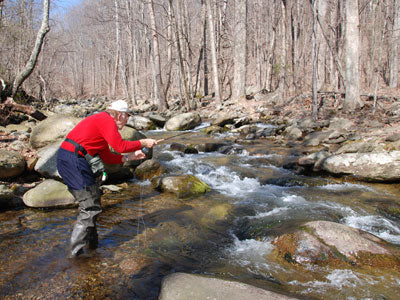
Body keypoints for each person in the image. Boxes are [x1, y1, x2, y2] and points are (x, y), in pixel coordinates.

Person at [56, 100, 157, 257]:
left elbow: (108, 156)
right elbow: (120, 146)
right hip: (72, 160)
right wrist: (143, 142)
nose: (127, 120)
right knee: (89, 207)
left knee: (92, 201)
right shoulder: (106, 120)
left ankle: (92, 247)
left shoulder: (101, 123)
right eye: (127, 116)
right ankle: (74, 255)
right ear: (119, 115)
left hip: (72, 159)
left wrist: (129, 157)